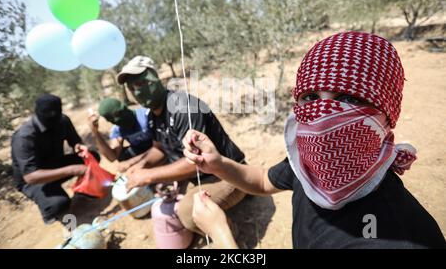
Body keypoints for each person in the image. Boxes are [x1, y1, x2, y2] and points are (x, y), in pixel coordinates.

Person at [183, 32, 446, 249]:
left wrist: (221, 235)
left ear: (387, 115)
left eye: (348, 99)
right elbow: (264, 179)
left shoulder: (389, 237)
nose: (322, 115)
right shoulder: (310, 164)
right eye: (310, 97)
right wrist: (217, 164)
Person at [116, 55, 246, 235]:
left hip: (227, 173)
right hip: (199, 177)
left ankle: (231, 234)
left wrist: (148, 176)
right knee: (166, 198)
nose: (136, 92)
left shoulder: (182, 106)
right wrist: (141, 165)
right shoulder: (153, 116)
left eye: (140, 84)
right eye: (131, 88)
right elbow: (158, 148)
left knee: (188, 214)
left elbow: (200, 160)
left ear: (154, 79)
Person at [11, 94, 98, 224]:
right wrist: (72, 170)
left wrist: (79, 147)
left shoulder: (62, 121)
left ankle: (83, 190)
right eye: (48, 115)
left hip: (54, 164)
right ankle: (48, 210)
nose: (52, 117)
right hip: (32, 180)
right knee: (59, 204)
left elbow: (75, 142)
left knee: (92, 157)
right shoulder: (24, 137)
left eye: (56, 114)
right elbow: (30, 177)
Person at [88, 97, 154, 171]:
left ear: (124, 108)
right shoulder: (118, 130)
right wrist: (95, 132)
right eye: (112, 119)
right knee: (122, 156)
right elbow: (112, 157)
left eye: (119, 114)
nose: (117, 120)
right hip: (142, 152)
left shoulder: (146, 115)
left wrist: (131, 162)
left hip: (159, 148)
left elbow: (161, 145)